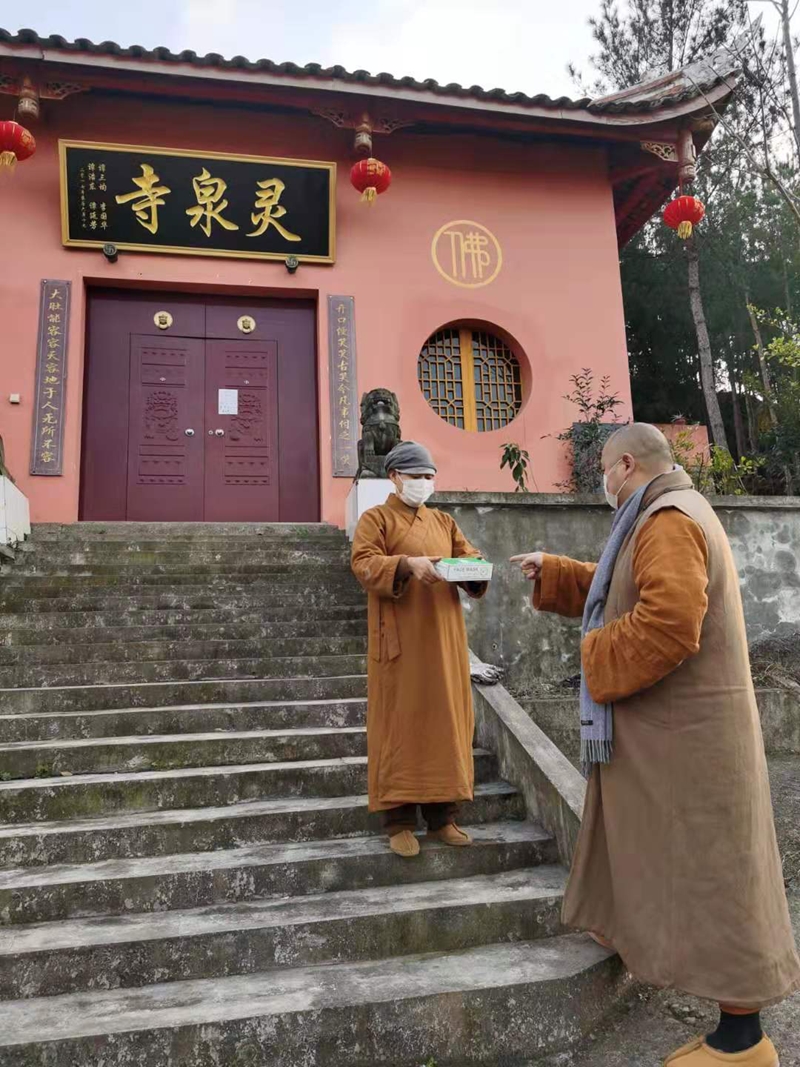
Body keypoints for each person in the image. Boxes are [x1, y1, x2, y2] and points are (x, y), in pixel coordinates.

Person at [511, 423, 800, 1067]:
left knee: (719, 876)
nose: (602, 481)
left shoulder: (667, 519)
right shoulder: (664, 512)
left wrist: (590, 655)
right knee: (661, 855)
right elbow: (624, 587)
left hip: (690, 743)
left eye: (603, 469)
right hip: (678, 737)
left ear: (626, 466)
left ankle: (743, 1042)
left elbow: (668, 621)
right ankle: (637, 942)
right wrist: (557, 574)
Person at [351, 441, 488, 858]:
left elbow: (470, 556)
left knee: (446, 721)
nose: (424, 483)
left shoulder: (444, 521)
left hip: (443, 638)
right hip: (399, 640)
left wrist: (470, 568)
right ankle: (398, 821)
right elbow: (363, 563)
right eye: (416, 476)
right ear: (394, 477)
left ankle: (443, 816)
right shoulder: (375, 519)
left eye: (429, 476)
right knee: (399, 724)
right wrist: (407, 564)